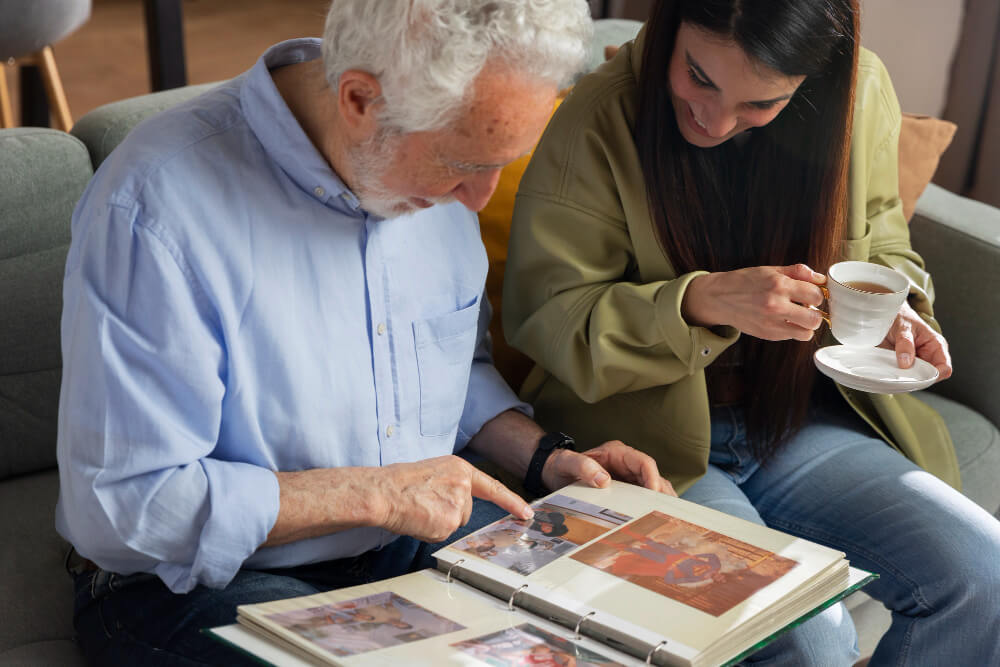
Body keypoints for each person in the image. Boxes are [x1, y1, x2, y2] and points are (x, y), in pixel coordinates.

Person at [54, 2, 677, 664]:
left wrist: (547, 456)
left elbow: (450, 372)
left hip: (403, 549)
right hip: (191, 582)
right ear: (358, 99)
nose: (480, 197)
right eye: (465, 161)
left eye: (502, 161)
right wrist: (377, 492)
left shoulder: (429, 177)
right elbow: (123, 508)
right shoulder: (157, 205)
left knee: (630, 618)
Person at [503, 0, 1000, 664]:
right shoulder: (599, 114)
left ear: (811, 82)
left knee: (981, 573)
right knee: (808, 636)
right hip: (650, 445)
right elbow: (546, 317)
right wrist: (699, 300)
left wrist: (896, 304)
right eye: (699, 76)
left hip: (795, 420)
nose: (714, 118)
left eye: (760, 104)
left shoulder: (858, 94)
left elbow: (886, 245)